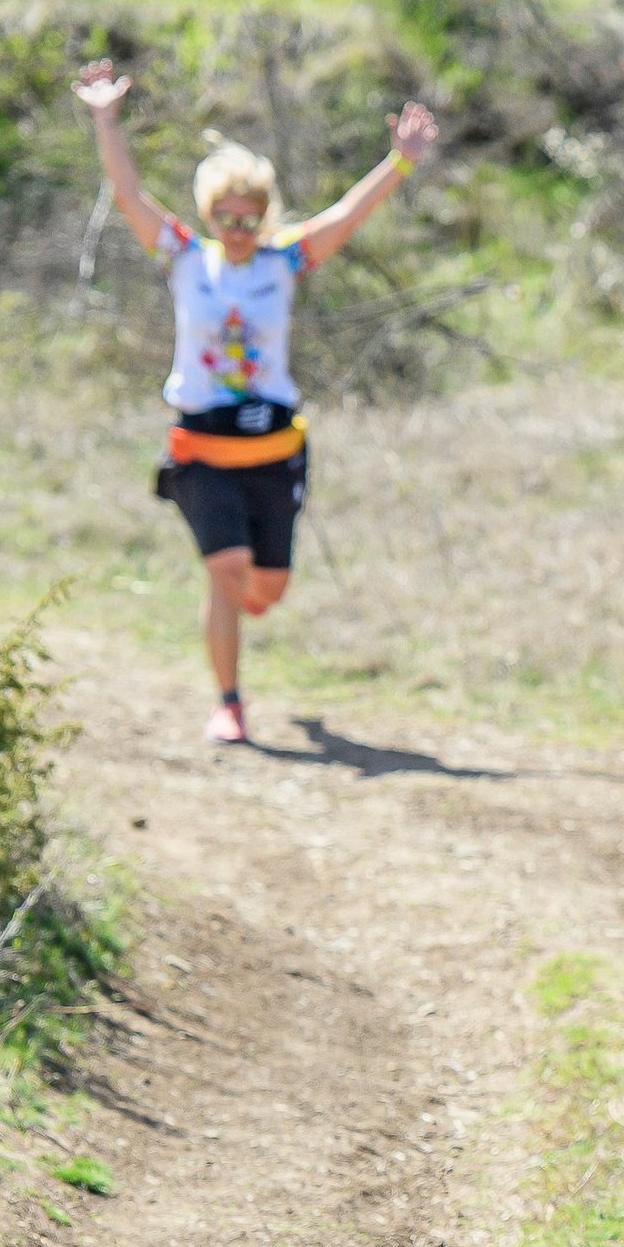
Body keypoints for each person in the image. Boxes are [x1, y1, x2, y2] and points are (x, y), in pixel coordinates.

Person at [74, 58, 439, 743]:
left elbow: (346, 216)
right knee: (227, 570)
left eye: (250, 218)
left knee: (264, 590)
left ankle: (237, 629)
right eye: (226, 217)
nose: (239, 228)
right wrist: (107, 119)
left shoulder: (284, 261)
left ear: (264, 218)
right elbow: (126, 193)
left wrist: (400, 164)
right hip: (202, 447)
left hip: (274, 447)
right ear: (209, 216)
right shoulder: (185, 256)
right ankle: (230, 702)